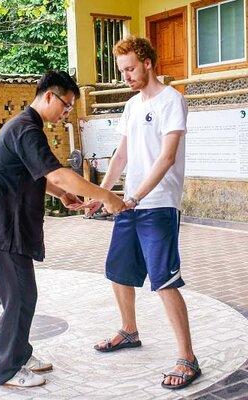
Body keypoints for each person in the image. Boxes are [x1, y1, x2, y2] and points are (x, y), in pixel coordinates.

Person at [0, 70, 125, 388]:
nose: (66, 114)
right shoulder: (27, 130)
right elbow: (59, 173)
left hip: (6, 226)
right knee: (18, 297)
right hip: (3, 228)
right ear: (50, 96)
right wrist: (106, 195)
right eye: (66, 106)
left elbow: (41, 175)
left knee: (25, 295)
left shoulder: (26, 127)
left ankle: (21, 353)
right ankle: (8, 369)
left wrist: (62, 194)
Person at [89, 36, 201, 390]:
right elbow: (120, 156)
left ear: (148, 63)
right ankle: (129, 331)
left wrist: (134, 196)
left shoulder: (172, 100)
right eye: (122, 70)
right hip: (129, 205)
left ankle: (188, 358)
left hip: (158, 204)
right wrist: (101, 194)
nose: (126, 76)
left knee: (164, 280)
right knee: (119, 271)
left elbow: (166, 158)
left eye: (131, 68)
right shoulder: (132, 105)